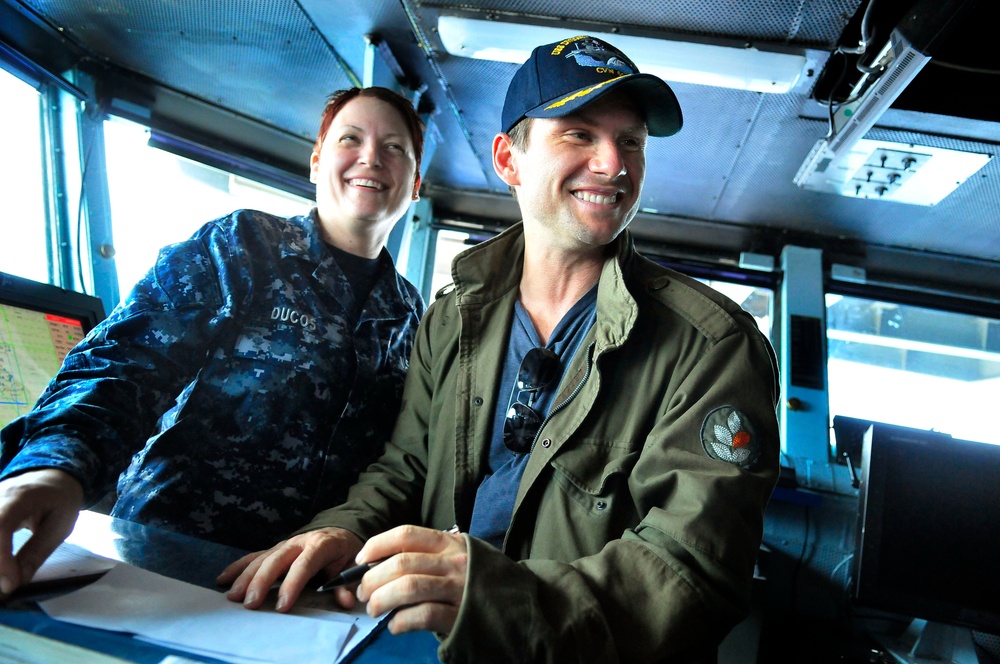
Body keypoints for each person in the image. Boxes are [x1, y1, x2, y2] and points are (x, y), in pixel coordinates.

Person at [220, 35, 780, 663]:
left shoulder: (712, 347)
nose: (613, 163)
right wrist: (344, 530)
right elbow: (406, 467)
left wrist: (501, 599)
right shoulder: (452, 316)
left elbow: (693, 573)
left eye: (631, 142)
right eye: (579, 134)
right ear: (509, 160)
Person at [0, 86, 426, 595]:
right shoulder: (240, 246)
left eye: (394, 147)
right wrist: (57, 465)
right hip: (166, 558)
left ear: (415, 184)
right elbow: (127, 361)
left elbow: (402, 457)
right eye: (350, 139)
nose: (371, 157)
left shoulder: (412, 314)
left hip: (301, 590)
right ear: (316, 163)